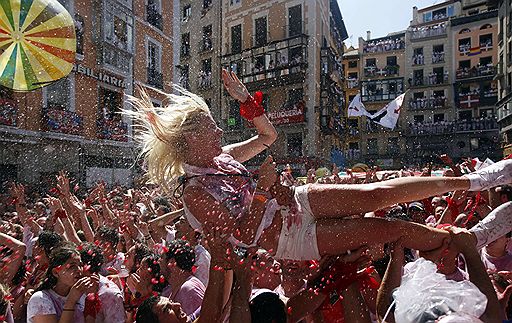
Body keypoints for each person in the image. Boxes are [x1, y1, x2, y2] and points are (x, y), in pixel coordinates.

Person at [126, 68, 512, 264]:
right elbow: (241, 235)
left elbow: (267, 137)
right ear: (187, 140)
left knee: (374, 193)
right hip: (288, 239)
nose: (217, 132)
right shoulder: (194, 193)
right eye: (209, 128)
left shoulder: (224, 157)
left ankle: (475, 181)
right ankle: (471, 242)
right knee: (387, 228)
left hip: (295, 200)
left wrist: (246, 99)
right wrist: (262, 189)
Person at [27, 243, 99, 323]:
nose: (79, 270)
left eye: (80, 265)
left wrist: (90, 298)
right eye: (72, 266)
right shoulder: (40, 299)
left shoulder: (81, 294)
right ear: (56, 272)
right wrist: (71, 301)